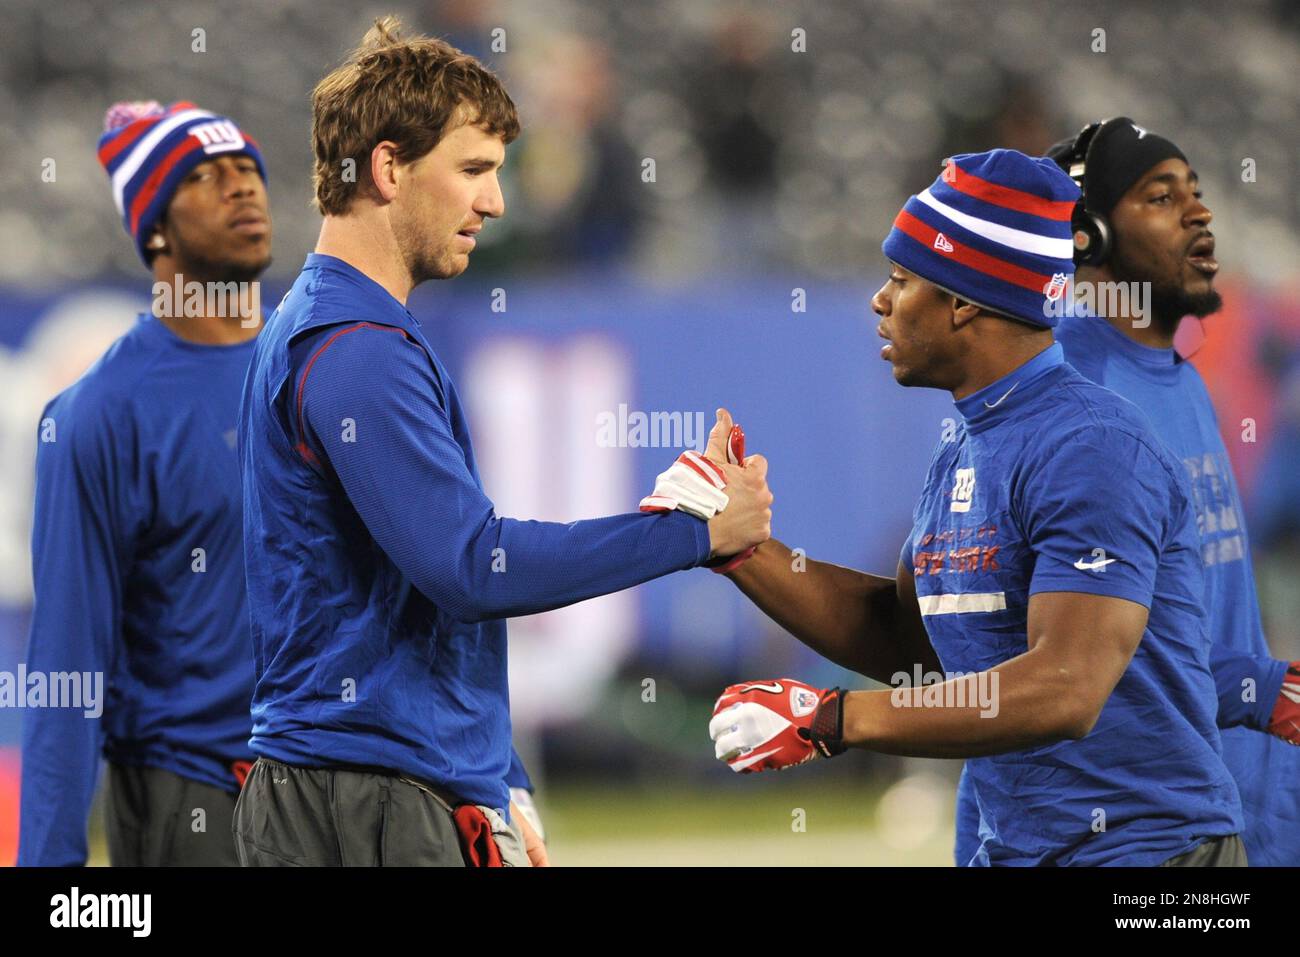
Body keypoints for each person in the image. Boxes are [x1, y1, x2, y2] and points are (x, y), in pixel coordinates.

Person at [233, 17, 771, 867]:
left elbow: (417, 604)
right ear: (387, 167)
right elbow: (470, 567)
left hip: (363, 782)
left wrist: (496, 773)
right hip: (364, 800)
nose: (495, 201)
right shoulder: (357, 351)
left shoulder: (335, 329)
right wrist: (692, 531)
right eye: (475, 170)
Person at [706, 148, 1245, 866]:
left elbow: (1065, 687)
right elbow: (909, 642)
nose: (880, 299)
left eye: (901, 279)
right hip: (1030, 849)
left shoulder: (1091, 445)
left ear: (963, 300)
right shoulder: (972, 438)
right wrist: (740, 548)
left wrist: (837, 718)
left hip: (1147, 856)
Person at [1013, 116, 1298, 866]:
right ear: (1090, 236)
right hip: (1146, 832)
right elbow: (1078, 661)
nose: (1200, 212)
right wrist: (1264, 687)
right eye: (1161, 196)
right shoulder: (1075, 396)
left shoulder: (1178, 375)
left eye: (1196, 193)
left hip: (1247, 798)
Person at [19, 100, 271, 865]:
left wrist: (493, 772)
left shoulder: (323, 367)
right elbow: (66, 664)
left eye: (247, 168)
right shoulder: (101, 414)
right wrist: (49, 868)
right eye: (204, 175)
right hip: (190, 799)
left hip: (335, 788)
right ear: (154, 226)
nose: (242, 189)